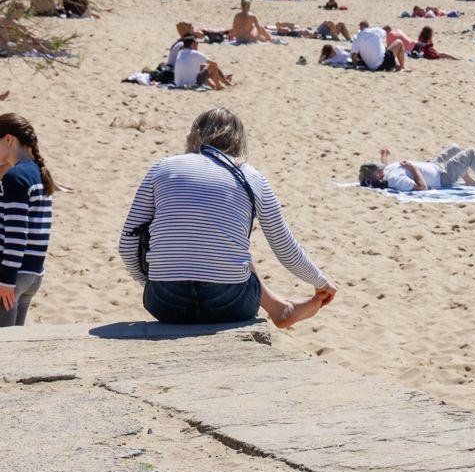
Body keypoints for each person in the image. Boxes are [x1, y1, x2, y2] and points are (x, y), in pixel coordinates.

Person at [118, 108, 335, 328]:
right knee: (235, 251)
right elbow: (283, 246)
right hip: (230, 303)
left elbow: (127, 243)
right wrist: (321, 282)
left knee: (225, 247)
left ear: (193, 135)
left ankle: (280, 307)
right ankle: (279, 308)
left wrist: (150, 283)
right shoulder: (252, 176)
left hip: (164, 303)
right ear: (239, 140)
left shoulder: (163, 168)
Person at [0, 113, 54, 327]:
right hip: (33, 273)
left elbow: (16, 234)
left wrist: (6, 279)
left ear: (8, 139)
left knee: (5, 343)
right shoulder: (40, 173)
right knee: (15, 342)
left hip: (12, 274)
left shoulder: (15, 177)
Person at [357, 145, 475, 192]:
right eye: (379, 168)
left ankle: (469, 181)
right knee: (471, 152)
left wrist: (384, 157)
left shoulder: (385, 173)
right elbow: (422, 187)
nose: (382, 167)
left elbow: (385, 168)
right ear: (377, 175)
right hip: (443, 176)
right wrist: (413, 169)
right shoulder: (395, 179)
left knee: (455, 148)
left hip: (435, 165)